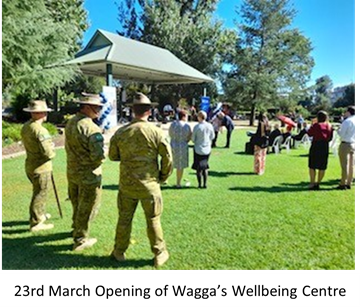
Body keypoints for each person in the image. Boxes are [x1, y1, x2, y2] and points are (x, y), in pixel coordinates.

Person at [109, 92, 173, 267]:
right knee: (153, 220)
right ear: (149, 111)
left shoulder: (121, 132)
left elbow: (113, 156)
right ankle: (159, 253)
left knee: (124, 218)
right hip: (149, 185)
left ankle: (119, 251)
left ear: (132, 110)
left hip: (127, 185)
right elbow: (168, 158)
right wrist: (162, 176)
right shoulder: (156, 132)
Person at [65, 94, 105, 251]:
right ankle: (80, 239)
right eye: (97, 107)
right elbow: (98, 156)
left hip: (73, 171)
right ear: (87, 107)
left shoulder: (71, 122)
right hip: (89, 174)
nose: (99, 110)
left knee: (76, 203)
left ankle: (76, 228)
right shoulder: (91, 127)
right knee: (87, 207)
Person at [21, 100, 55, 232]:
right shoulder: (40, 130)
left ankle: (40, 215)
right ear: (40, 113)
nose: (46, 114)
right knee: (40, 193)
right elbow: (48, 153)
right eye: (44, 112)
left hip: (30, 164)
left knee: (39, 191)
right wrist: (52, 150)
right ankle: (36, 222)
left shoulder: (26, 126)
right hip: (41, 167)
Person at [307, 111, 333, 190]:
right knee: (322, 166)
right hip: (324, 146)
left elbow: (309, 133)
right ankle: (318, 182)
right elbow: (330, 138)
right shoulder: (329, 126)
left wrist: (312, 124)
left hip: (316, 145)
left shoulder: (316, 125)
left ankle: (312, 182)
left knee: (312, 165)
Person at [192, 111, 215, 188]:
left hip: (198, 148)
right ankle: (205, 184)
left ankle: (199, 184)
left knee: (198, 168)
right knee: (205, 166)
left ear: (199, 117)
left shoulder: (197, 127)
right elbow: (212, 136)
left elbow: (193, 139)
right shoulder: (210, 126)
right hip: (207, 149)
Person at [169, 109, 192, 188]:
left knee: (170, 163)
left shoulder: (173, 124)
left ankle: (164, 179)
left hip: (173, 145)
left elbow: (170, 134)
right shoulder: (187, 126)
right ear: (184, 116)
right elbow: (189, 136)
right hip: (183, 146)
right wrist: (185, 141)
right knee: (180, 166)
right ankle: (178, 183)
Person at [337, 106, 355, 190]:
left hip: (345, 143)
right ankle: (349, 182)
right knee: (351, 165)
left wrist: (338, 131)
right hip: (353, 143)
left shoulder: (347, 121)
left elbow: (342, 134)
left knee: (344, 165)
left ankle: (343, 183)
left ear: (348, 112)